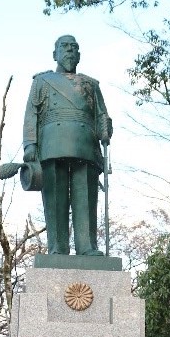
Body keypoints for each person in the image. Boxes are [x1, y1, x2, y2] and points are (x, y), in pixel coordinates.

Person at [23, 34, 113, 256]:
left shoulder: (91, 84)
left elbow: (101, 114)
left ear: (80, 55)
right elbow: (30, 114)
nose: (69, 51)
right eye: (64, 47)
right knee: (55, 196)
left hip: (85, 143)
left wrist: (105, 129)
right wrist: (29, 144)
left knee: (86, 197)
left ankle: (87, 246)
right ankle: (57, 247)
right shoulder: (41, 82)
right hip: (52, 142)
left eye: (74, 47)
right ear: (55, 53)